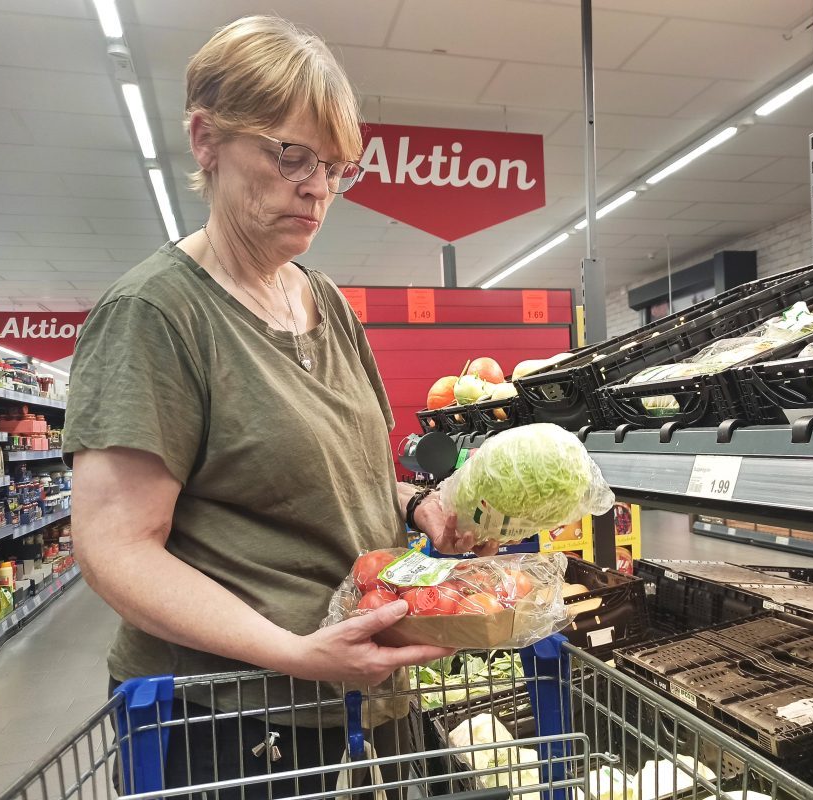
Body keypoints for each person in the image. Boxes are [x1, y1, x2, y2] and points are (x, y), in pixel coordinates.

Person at [64, 15, 494, 797]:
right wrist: (293, 651)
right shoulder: (156, 314)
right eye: (291, 155)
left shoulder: (324, 300)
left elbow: (325, 475)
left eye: (336, 166)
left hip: (354, 700)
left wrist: (414, 502)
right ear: (206, 139)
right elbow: (116, 548)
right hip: (228, 725)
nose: (317, 188)